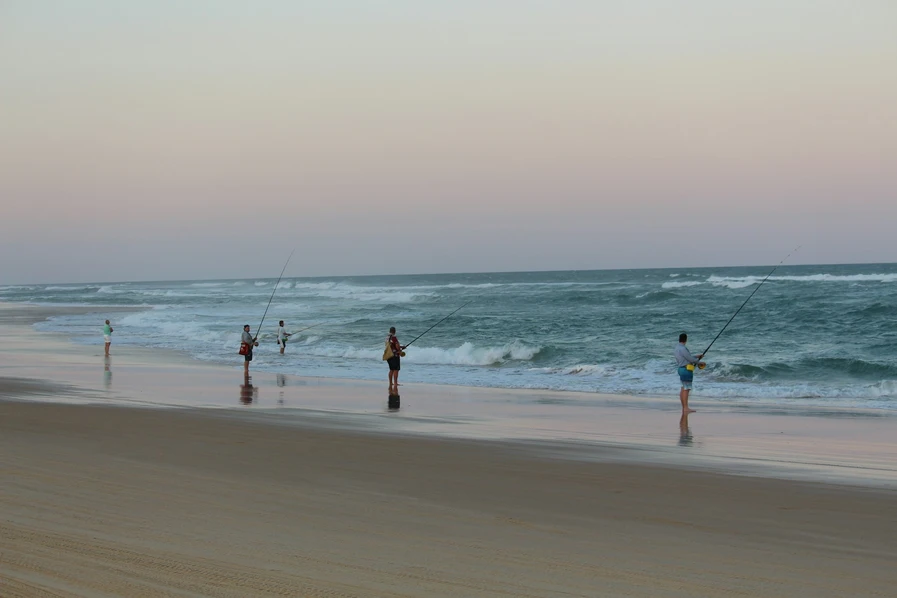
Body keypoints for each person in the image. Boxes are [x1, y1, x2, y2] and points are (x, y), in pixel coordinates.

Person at [675, 333, 705, 413]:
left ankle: (684, 407)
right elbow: (690, 359)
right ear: (686, 339)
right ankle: (685, 408)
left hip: (681, 369)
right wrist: (700, 362)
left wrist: (697, 356)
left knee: (683, 388)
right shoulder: (683, 348)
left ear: (679, 339)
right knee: (686, 389)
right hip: (686, 370)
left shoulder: (677, 348)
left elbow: (687, 357)